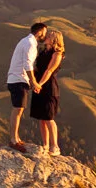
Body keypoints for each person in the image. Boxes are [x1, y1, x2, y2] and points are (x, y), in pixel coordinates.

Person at [5, 20, 48, 149]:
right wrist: (34, 82)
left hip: (16, 78)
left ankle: (16, 138)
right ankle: (13, 140)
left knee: (18, 109)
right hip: (19, 79)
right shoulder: (29, 43)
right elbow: (27, 64)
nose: (45, 36)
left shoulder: (26, 41)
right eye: (44, 33)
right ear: (39, 32)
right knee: (17, 109)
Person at [29, 31, 67, 155]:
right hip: (39, 85)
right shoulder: (43, 51)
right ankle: (45, 145)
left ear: (55, 39)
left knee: (49, 118)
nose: (46, 37)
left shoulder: (57, 54)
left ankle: (55, 146)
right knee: (42, 118)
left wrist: (40, 84)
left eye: (49, 36)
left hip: (49, 87)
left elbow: (49, 71)